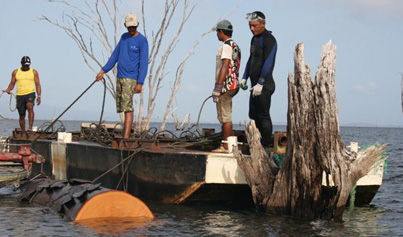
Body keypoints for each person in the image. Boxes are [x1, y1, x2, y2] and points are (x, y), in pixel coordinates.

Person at [96, 13, 149, 139]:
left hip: (131, 78)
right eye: (129, 27)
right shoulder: (124, 38)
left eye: (133, 27)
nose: (131, 29)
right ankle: (125, 136)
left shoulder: (142, 41)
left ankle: (126, 139)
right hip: (120, 76)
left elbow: (144, 63)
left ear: (137, 25)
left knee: (128, 107)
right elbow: (115, 55)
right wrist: (103, 71)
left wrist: (140, 82)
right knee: (122, 107)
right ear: (125, 26)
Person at [240, 11, 277, 151]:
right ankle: (256, 144)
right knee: (253, 115)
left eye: (255, 26)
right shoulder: (254, 39)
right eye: (250, 26)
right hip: (254, 85)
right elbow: (251, 59)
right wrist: (244, 77)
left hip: (265, 85)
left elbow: (269, 62)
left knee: (263, 115)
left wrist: (261, 82)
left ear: (263, 24)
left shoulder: (269, 39)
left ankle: (266, 146)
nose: (252, 29)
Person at [211, 20, 241, 153]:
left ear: (221, 32)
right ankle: (228, 143)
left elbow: (225, 65)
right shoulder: (235, 45)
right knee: (224, 115)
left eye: (217, 32)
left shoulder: (226, 47)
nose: (217, 34)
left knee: (225, 116)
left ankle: (226, 146)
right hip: (233, 84)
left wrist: (218, 86)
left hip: (227, 85)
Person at [3, 56, 41, 131]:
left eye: (28, 65)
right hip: (20, 95)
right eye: (25, 65)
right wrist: (8, 89)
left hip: (30, 93)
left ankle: (30, 128)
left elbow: (37, 84)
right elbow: (12, 83)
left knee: (30, 106)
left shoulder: (34, 72)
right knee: (22, 115)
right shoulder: (16, 72)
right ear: (21, 63)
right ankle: (23, 131)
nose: (26, 66)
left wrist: (39, 96)